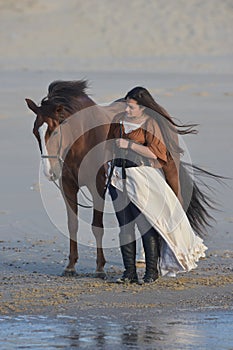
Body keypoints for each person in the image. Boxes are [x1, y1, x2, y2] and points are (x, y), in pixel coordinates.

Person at [105, 86, 207, 284]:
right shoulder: (117, 121)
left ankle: (151, 273)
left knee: (145, 225)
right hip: (118, 178)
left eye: (132, 107)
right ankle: (129, 273)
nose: (127, 109)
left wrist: (130, 145)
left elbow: (156, 153)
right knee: (125, 227)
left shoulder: (151, 123)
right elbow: (109, 145)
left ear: (143, 108)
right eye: (127, 105)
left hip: (140, 178)